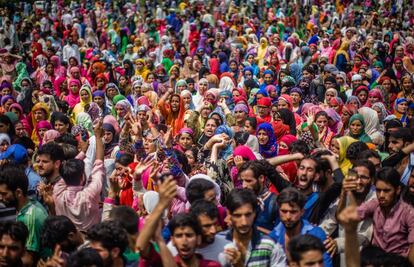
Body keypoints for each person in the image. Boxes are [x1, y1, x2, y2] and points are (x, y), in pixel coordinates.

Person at [52, 119, 105, 231]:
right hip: (90, 241)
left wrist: (82, 153)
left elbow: (63, 175)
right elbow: (99, 162)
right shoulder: (90, 194)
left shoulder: (57, 193)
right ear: (82, 177)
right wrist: (98, 137)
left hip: (67, 243)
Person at [354, 167, 414, 264]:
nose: (381, 195)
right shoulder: (375, 204)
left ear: (397, 190)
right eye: (378, 190)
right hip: (375, 261)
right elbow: (349, 217)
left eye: (386, 191)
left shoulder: (408, 213)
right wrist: (346, 191)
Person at [269, 187, 332, 267]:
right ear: (279, 210)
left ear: (302, 212)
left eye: (293, 212)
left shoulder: (317, 235)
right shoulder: (272, 239)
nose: (288, 216)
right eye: (284, 211)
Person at [223, 189, 287, 267]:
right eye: (238, 215)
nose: (244, 222)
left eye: (248, 215)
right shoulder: (219, 244)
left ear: (255, 213)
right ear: (229, 214)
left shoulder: (270, 246)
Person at [0, 164, 48, 266]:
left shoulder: (30, 217)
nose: (0, 198)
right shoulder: (28, 204)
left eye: (4, 194)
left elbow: (29, 259)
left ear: (18, 192)